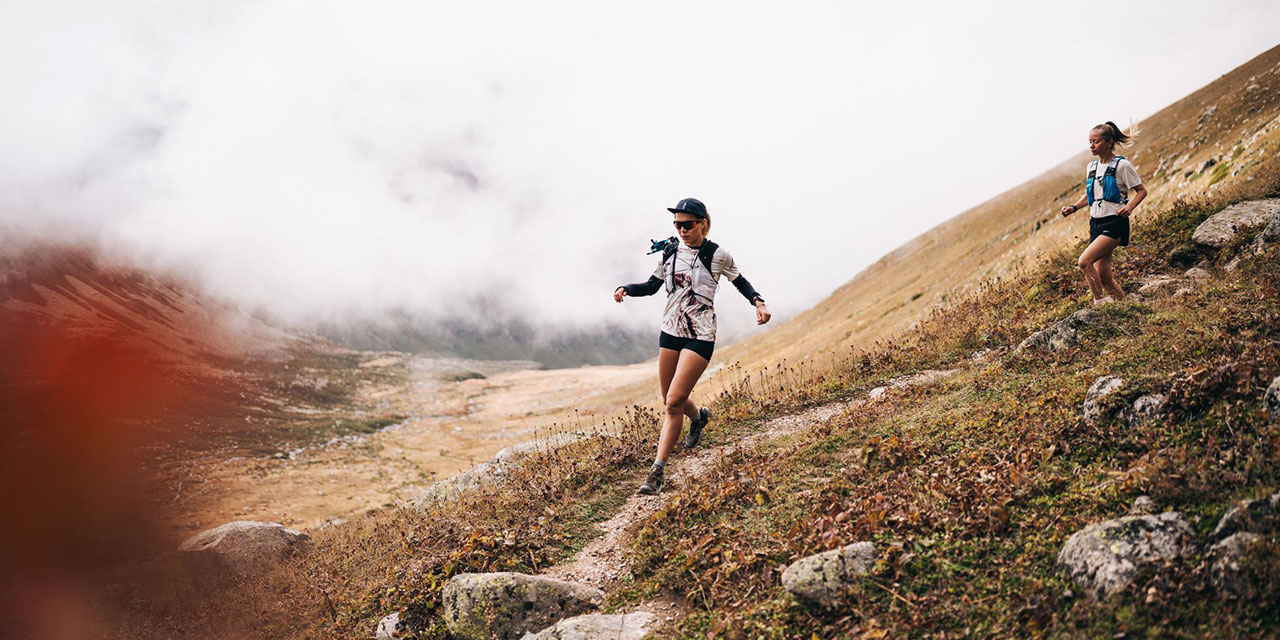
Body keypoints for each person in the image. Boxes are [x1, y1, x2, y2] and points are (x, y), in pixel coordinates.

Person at [614, 197, 771, 494]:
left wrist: (759, 303)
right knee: (669, 397)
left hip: (700, 334)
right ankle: (699, 419)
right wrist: (626, 289)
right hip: (670, 331)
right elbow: (651, 286)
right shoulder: (671, 251)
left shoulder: (717, 255)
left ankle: (656, 472)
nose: (681, 230)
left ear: (702, 224)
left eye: (687, 225)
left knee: (673, 403)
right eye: (677, 225)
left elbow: (740, 282)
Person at [1060, 121, 1148, 303]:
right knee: (1104, 276)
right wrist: (1073, 207)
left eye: (1096, 142)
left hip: (1115, 222)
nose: (1091, 146)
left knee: (1084, 262)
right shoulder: (1091, 167)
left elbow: (1142, 191)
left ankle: (1099, 303)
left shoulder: (1123, 166)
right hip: (1096, 223)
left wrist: (1130, 207)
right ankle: (1124, 306)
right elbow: (1090, 194)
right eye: (1090, 142)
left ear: (1109, 142)